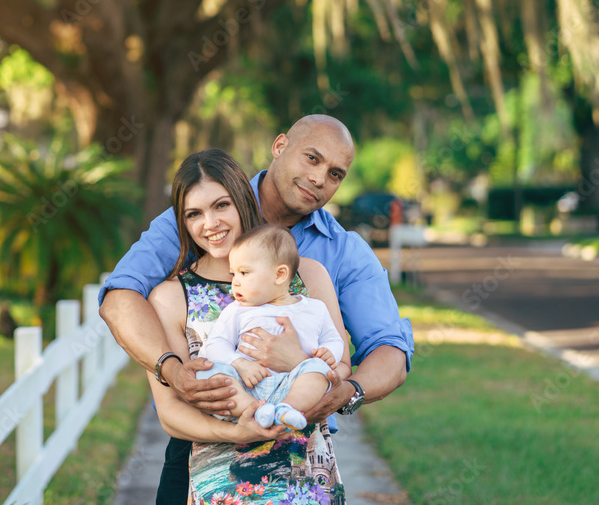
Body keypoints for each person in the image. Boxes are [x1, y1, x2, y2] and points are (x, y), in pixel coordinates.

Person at [100, 115, 414, 501]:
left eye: (335, 173)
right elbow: (119, 298)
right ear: (279, 146)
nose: (319, 178)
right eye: (311, 158)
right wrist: (174, 371)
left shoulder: (328, 262)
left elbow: (388, 350)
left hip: (300, 448)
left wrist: (341, 389)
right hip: (203, 451)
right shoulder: (206, 206)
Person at [147, 149, 349, 504]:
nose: (210, 224)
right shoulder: (169, 296)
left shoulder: (309, 276)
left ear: (242, 200)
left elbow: (339, 371)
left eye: (221, 205)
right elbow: (171, 413)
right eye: (194, 213)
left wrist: (297, 361)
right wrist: (238, 429)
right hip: (221, 480)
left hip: (304, 479)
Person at [196, 224, 347, 431]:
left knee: (319, 371)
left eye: (244, 272)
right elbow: (216, 343)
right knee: (209, 372)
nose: (235, 283)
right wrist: (240, 364)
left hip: (293, 384)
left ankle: (287, 409)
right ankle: (256, 410)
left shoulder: (315, 308)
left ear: (280, 275)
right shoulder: (237, 310)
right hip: (246, 384)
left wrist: (330, 352)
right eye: (233, 274)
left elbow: (334, 339)